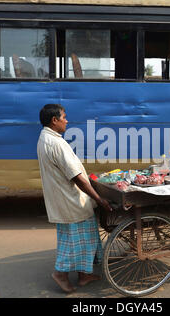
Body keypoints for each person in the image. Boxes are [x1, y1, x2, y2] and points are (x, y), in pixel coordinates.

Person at [37, 103, 112, 293]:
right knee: (77, 241)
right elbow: (77, 178)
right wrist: (99, 199)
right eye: (64, 117)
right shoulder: (57, 143)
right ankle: (60, 273)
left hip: (62, 199)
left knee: (83, 238)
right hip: (71, 201)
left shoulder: (44, 138)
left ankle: (84, 275)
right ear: (54, 120)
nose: (67, 121)